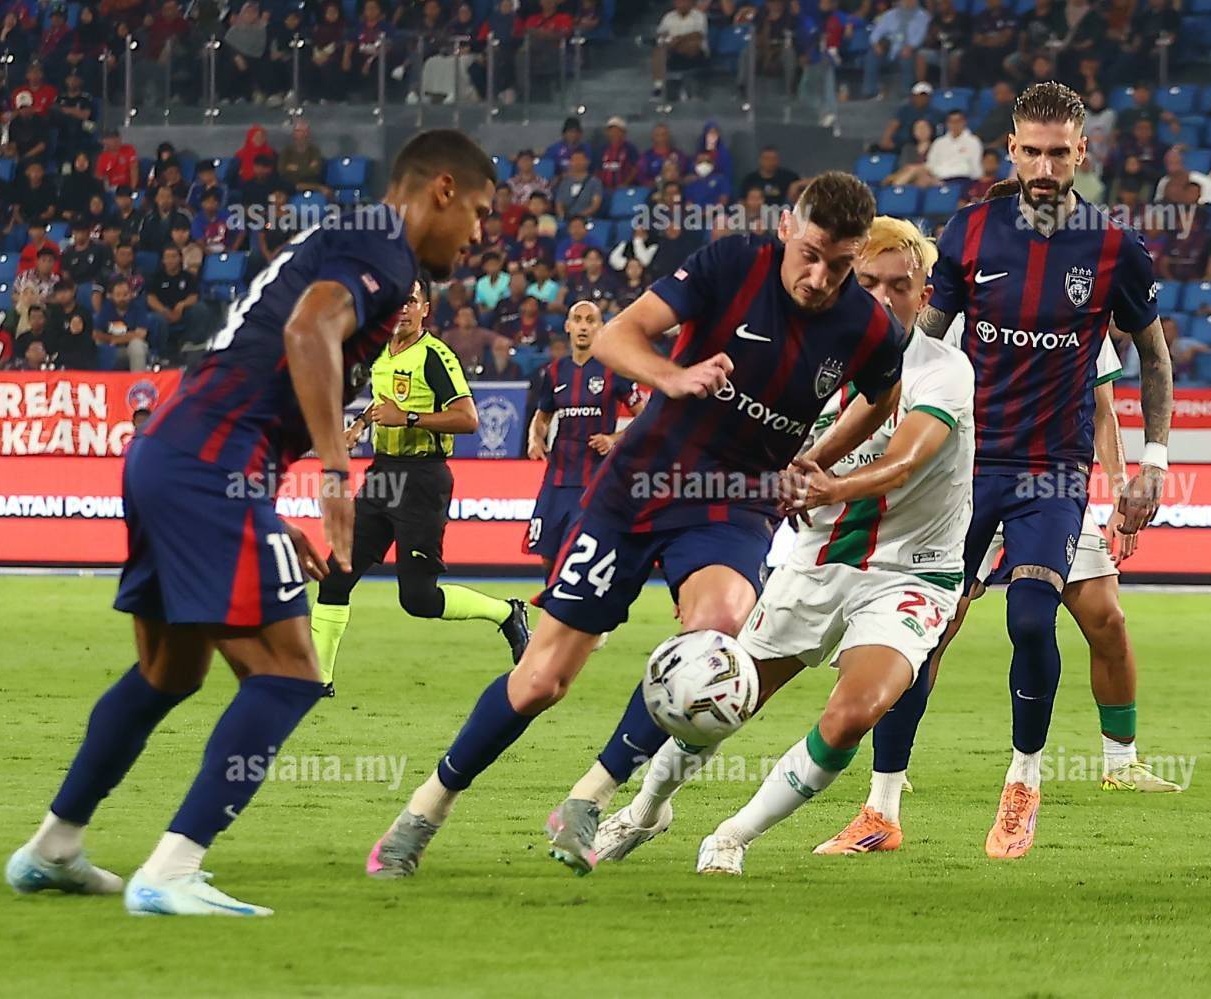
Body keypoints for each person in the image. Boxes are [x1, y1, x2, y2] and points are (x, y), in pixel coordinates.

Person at [3, 130, 496, 917]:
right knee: (291, 672)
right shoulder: (384, 244)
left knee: (169, 671)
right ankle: (172, 869)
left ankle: (53, 847)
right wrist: (333, 471)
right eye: (478, 210)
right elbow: (306, 330)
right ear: (443, 188)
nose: (477, 233)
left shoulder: (350, 234)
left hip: (171, 454)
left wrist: (261, 504)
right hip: (208, 465)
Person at [366, 172, 907, 880]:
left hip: (733, 499)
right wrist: (670, 376)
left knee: (718, 631)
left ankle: (590, 797)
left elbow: (882, 396)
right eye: (809, 255)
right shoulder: (732, 263)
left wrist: (816, 460)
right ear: (785, 228)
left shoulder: (868, 327)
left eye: (837, 264)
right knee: (541, 680)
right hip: (636, 487)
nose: (818, 278)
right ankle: (425, 808)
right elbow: (619, 335)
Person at [598, 216, 973, 873]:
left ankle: (731, 836)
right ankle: (645, 809)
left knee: (853, 713)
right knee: (720, 695)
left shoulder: (943, 370)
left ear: (925, 293)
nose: (884, 298)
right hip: (813, 562)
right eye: (869, 282)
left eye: (900, 286)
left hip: (911, 575)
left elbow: (907, 459)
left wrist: (830, 486)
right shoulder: (809, 359)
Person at [912, 82, 1172, 859]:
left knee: (1078, 618)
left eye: (1061, 152)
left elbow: (1125, 382)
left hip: (1056, 473)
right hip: (966, 467)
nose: (1047, 166)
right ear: (1012, 151)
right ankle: (883, 782)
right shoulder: (968, 238)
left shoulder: (1111, 252)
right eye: (1032, 151)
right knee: (929, 623)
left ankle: (1091, 766)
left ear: (1082, 152)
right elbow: (920, 349)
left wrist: (1142, 471)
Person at [311, 278, 530, 697]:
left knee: (419, 600)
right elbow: (383, 403)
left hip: (423, 480)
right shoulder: (381, 351)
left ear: (425, 309)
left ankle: (506, 613)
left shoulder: (435, 356)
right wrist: (359, 425)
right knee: (335, 576)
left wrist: (409, 418)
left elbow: (469, 419)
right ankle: (318, 680)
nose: (403, 310)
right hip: (383, 476)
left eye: (411, 302)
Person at [524, 300, 644, 578]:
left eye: (591, 321)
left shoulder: (615, 369)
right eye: (577, 320)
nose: (583, 326)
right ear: (567, 326)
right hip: (557, 478)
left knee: (582, 554)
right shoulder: (554, 372)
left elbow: (646, 415)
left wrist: (614, 438)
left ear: (600, 328)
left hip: (595, 479)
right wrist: (535, 439)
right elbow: (542, 416)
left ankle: (579, 605)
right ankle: (551, 604)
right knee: (548, 556)